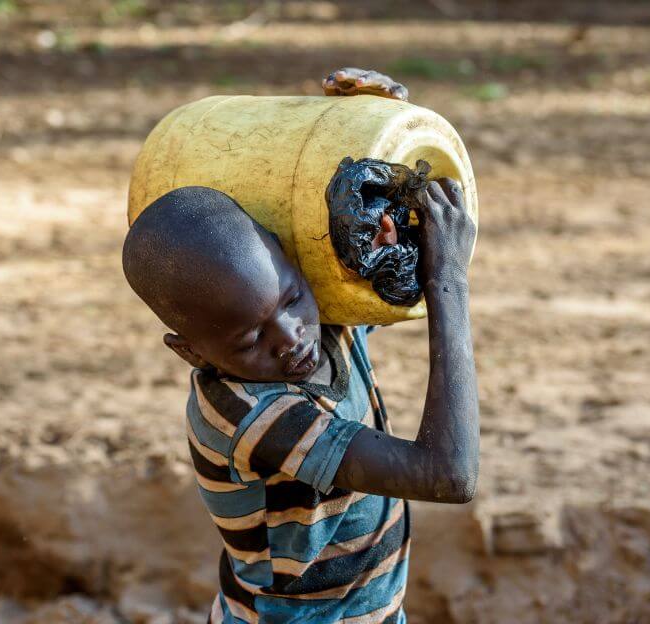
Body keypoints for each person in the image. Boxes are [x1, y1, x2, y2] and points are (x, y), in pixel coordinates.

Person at [122, 68, 479, 624]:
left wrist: (372, 134)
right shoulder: (254, 416)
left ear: (297, 263)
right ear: (190, 352)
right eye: (251, 338)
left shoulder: (309, 324)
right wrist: (448, 284)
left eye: (292, 298)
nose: (290, 337)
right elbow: (447, 474)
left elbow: (372, 267)